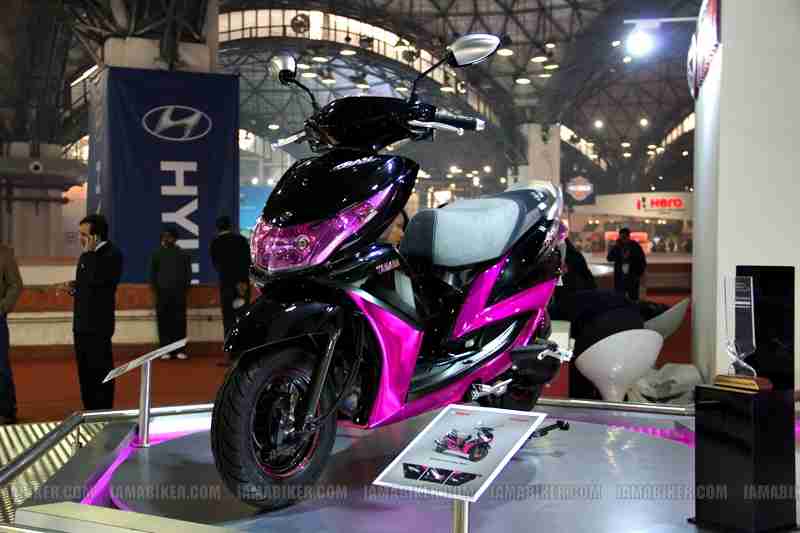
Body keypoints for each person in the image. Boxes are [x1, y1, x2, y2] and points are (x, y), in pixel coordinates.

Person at [60, 214, 123, 411]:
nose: (80, 238)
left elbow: (100, 284)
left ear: (96, 236)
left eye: (84, 234)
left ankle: (103, 411)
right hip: (81, 324)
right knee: (85, 372)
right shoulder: (86, 256)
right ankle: (89, 410)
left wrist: (89, 255)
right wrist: (73, 287)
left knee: (100, 371)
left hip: (98, 325)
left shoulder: (112, 255)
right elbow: (86, 285)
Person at [149, 228, 192, 360]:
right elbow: (152, 275)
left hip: (179, 294)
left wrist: (183, 289)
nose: (166, 239)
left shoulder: (183, 254)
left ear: (175, 238)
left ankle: (180, 350)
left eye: (169, 236)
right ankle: (165, 350)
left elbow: (188, 275)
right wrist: (157, 290)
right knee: (163, 323)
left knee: (179, 322)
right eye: (164, 236)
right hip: (162, 294)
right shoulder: (156, 254)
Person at [210, 216, 251, 343]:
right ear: (230, 226)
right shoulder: (241, 240)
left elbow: (216, 264)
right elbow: (248, 261)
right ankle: (244, 345)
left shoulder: (215, 243)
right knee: (243, 316)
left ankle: (230, 346)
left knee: (228, 317)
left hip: (226, 284)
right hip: (242, 284)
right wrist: (242, 280)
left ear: (217, 228)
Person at [0, 245, 22, 424]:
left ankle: (7, 410)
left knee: (1, 366)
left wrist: (2, 308)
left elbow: (16, 285)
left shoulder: (4, 253)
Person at [606, 228, 647, 301]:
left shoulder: (634, 246)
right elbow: (609, 258)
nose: (622, 239)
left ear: (628, 236)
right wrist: (617, 249)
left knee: (633, 296)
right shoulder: (617, 246)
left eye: (624, 237)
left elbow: (642, 260)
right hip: (620, 276)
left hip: (632, 275)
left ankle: (632, 307)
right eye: (621, 237)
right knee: (620, 297)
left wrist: (639, 273)